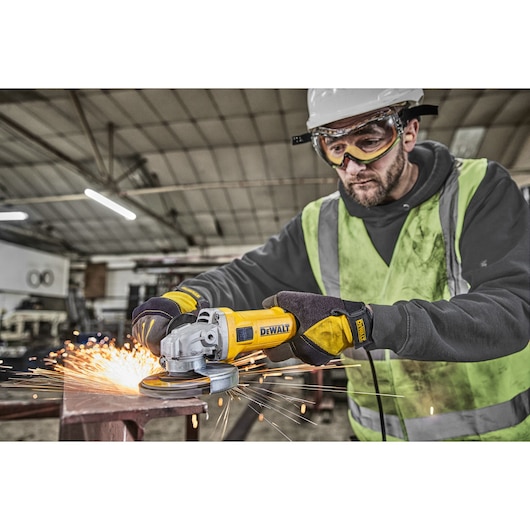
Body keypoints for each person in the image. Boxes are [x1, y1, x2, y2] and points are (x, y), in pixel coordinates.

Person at [132, 89, 530, 441]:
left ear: (408, 132)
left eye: (369, 141)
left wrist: (367, 323)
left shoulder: (478, 190)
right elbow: (248, 276)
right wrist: (182, 299)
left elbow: (512, 309)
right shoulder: (319, 222)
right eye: (335, 148)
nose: (352, 166)